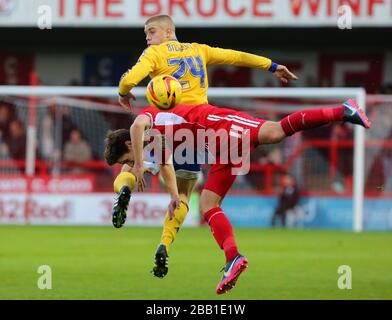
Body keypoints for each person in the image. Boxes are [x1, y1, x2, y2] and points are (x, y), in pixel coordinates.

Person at [104, 97, 371, 294]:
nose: (134, 162)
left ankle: (343, 110)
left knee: (275, 133)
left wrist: (137, 167)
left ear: (130, 144)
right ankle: (233, 257)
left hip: (222, 126)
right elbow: (163, 165)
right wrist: (173, 194)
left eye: (130, 157)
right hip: (221, 146)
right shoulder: (154, 142)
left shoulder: (149, 120)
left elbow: (139, 127)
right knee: (210, 203)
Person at [115, 14, 298, 279]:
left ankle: (124, 190)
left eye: (151, 31)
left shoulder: (153, 54)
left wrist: (122, 92)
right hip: (197, 131)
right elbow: (236, 57)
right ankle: (165, 243)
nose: (148, 37)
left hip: (166, 122)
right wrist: (272, 66)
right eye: (146, 33)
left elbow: (129, 80)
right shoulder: (200, 50)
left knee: (131, 162)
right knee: (185, 194)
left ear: (168, 32)